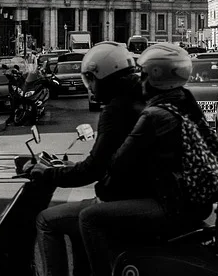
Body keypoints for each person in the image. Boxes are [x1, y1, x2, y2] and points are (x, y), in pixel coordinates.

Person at [76, 43, 216, 276]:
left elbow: (114, 164)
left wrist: (102, 184)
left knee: (89, 218)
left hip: (171, 200)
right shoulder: (181, 100)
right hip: (193, 198)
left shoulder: (137, 110)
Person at [31, 42, 145, 276]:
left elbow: (94, 168)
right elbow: (114, 160)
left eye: (91, 79)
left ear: (105, 77)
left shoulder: (116, 109)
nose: (90, 87)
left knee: (47, 220)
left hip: (124, 198)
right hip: (137, 192)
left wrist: (49, 174)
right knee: (78, 221)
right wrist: (73, 167)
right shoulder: (137, 98)